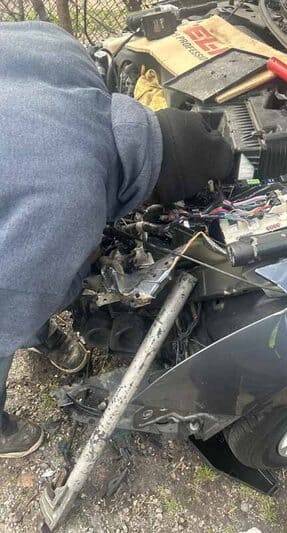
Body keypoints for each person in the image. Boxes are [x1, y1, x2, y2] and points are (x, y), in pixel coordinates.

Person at [0, 22, 233, 458]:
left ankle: (37, 336)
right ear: (152, 189)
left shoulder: (61, 47)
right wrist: (69, 277)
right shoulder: (71, 196)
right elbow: (13, 292)